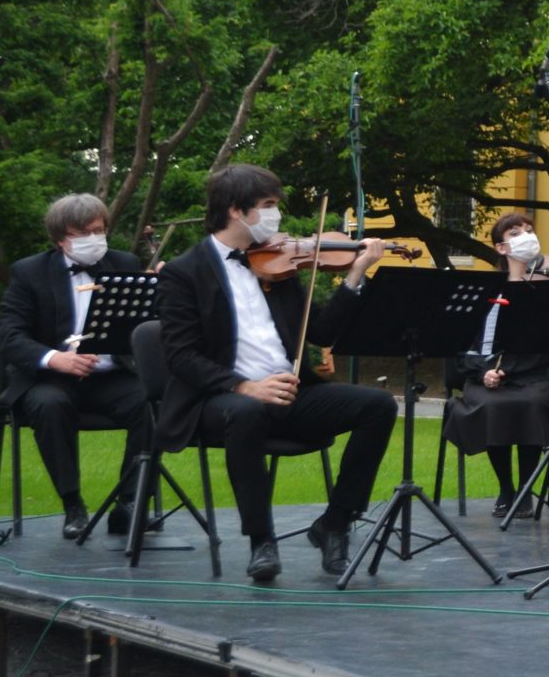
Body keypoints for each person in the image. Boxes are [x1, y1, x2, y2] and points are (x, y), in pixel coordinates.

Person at [157, 165, 399, 584]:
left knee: (378, 406)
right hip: (219, 399)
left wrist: (355, 276)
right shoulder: (184, 272)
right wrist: (244, 386)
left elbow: (320, 330)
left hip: (288, 391)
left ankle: (335, 524)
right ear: (236, 210)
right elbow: (181, 356)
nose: (277, 218)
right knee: (246, 412)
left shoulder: (275, 263)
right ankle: (261, 541)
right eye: (268, 207)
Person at [0, 194, 152, 539]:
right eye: (81, 234)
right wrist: (56, 358)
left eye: (98, 230)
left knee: (151, 401)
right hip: (51, 378)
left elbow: (142, 325)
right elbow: (9, 336)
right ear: (59, 238)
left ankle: (129, 502)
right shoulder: (29, 271)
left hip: (109, 375)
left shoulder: (124, 262)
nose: (93, 239)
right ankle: (73, 504)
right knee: (51, 406)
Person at [444, 210, 549, 521]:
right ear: (501, 247)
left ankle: (526, 488)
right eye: (515, 233)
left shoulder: (543, 291)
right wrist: (482, 371)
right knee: (493, 406)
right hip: (486, 376)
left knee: (531, 403)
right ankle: (506, 488)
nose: (526, 235)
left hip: (534, 376)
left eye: (529, 229)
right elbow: (462, 344)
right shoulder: (484, 290)